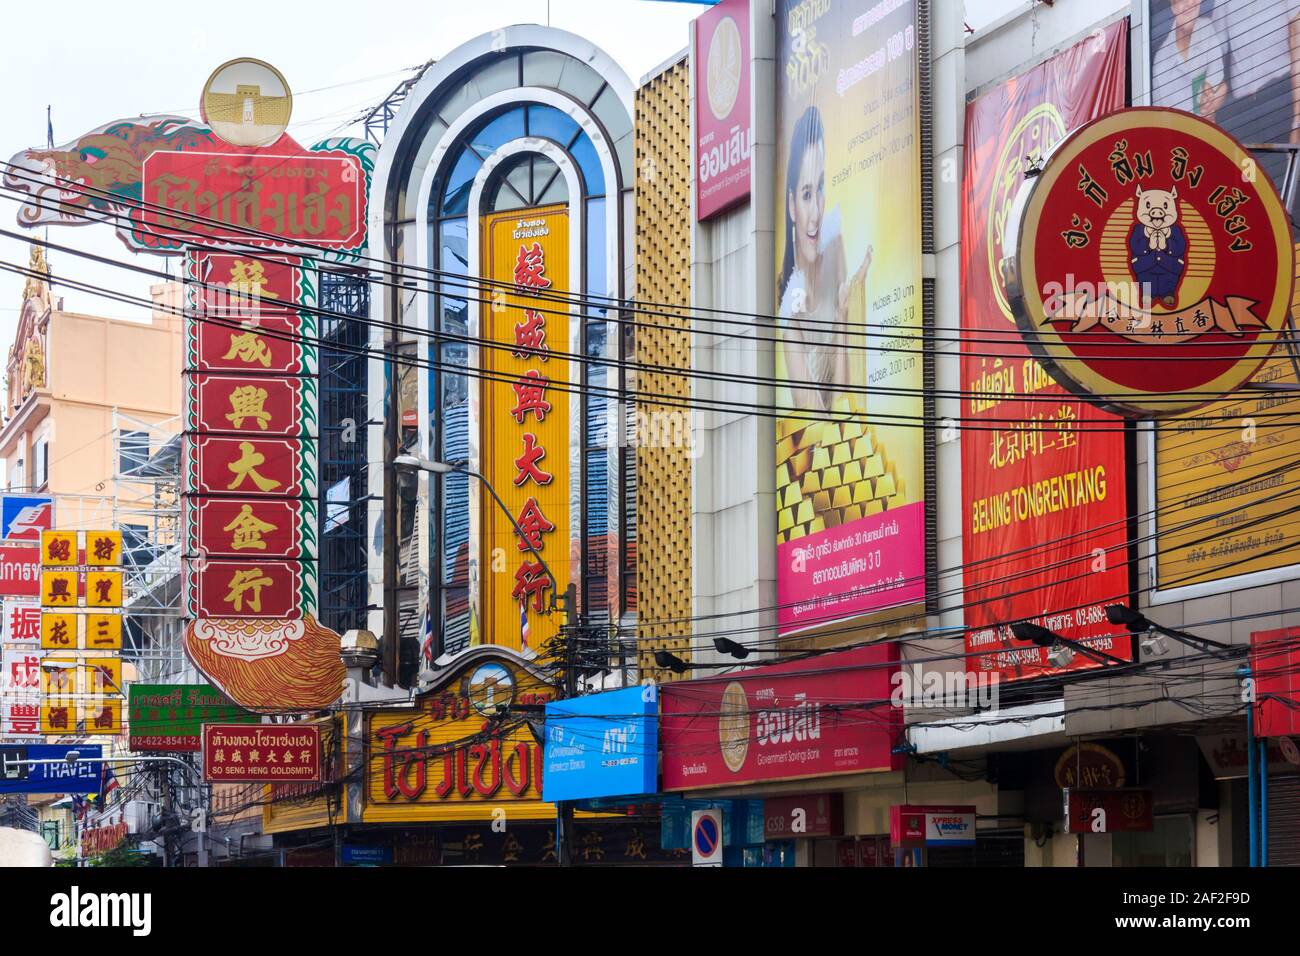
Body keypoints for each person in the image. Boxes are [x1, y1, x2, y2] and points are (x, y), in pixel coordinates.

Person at [777, 106, 872, 413]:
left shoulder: (835, 247)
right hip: (822, 454)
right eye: (806, 195)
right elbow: (821, 425)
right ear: (792, 205)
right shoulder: (787, 309)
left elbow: (849, 398)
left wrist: (843, 317)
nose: (816, 213)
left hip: (856, 442)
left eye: (819, 188)